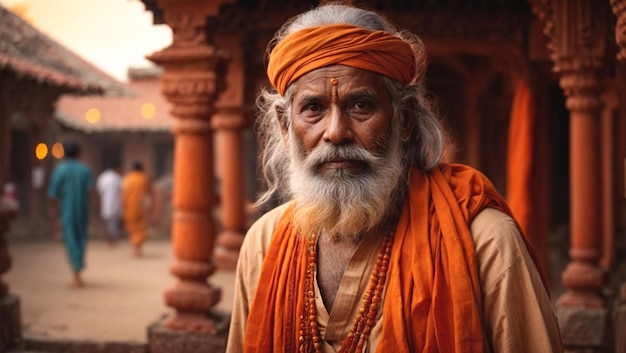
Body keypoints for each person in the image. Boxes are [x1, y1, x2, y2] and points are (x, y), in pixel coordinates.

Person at [226, 4, 563, 353]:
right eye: (314, 108)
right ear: (285, 128)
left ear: (404, 120)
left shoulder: (486, 243)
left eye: (361, 105)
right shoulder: (263, 245)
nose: (336, 132)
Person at [47, 141, 94, 288]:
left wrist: (54, 217)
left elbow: (53, 196)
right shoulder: (85, 170)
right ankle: (77, 272)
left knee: (71, 240)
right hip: (83, 210)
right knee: (81, 239)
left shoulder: (59, 170)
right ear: (79, 154)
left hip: (66, 210)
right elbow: (91, 192)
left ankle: (76, 273)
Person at [122, 160, 152, 257]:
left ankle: (137, 249)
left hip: (129, 207)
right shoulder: (144, 178)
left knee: (133, 229)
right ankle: (138, 249)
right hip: (141, 207)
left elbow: (123, 194)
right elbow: (148, 193)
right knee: (140, 228)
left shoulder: (127, 178)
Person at [96, 160, 123, 245]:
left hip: (106, 203)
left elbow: (99, 191)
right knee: (113, 223)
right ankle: (112, 239)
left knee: (109, 223)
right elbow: (123, 190)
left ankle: (110, 239)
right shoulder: (118, 177)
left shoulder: (103, 177)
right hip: (116, 203)